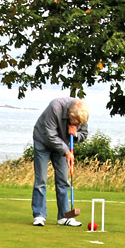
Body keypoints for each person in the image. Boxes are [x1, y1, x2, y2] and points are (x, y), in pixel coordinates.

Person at [30, 95, 89, 227]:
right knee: (41, 180)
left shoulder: (82, 113)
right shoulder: (55, 107)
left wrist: (76, 134)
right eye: (75, 122)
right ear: (69, 114)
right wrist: (67, 151)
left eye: (80, 123)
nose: (78, 124)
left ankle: (65, 216)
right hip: (42, 141)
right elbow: (50, 135)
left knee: (63, 181)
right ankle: (39, 215)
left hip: (62, 145)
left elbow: (84, 135)